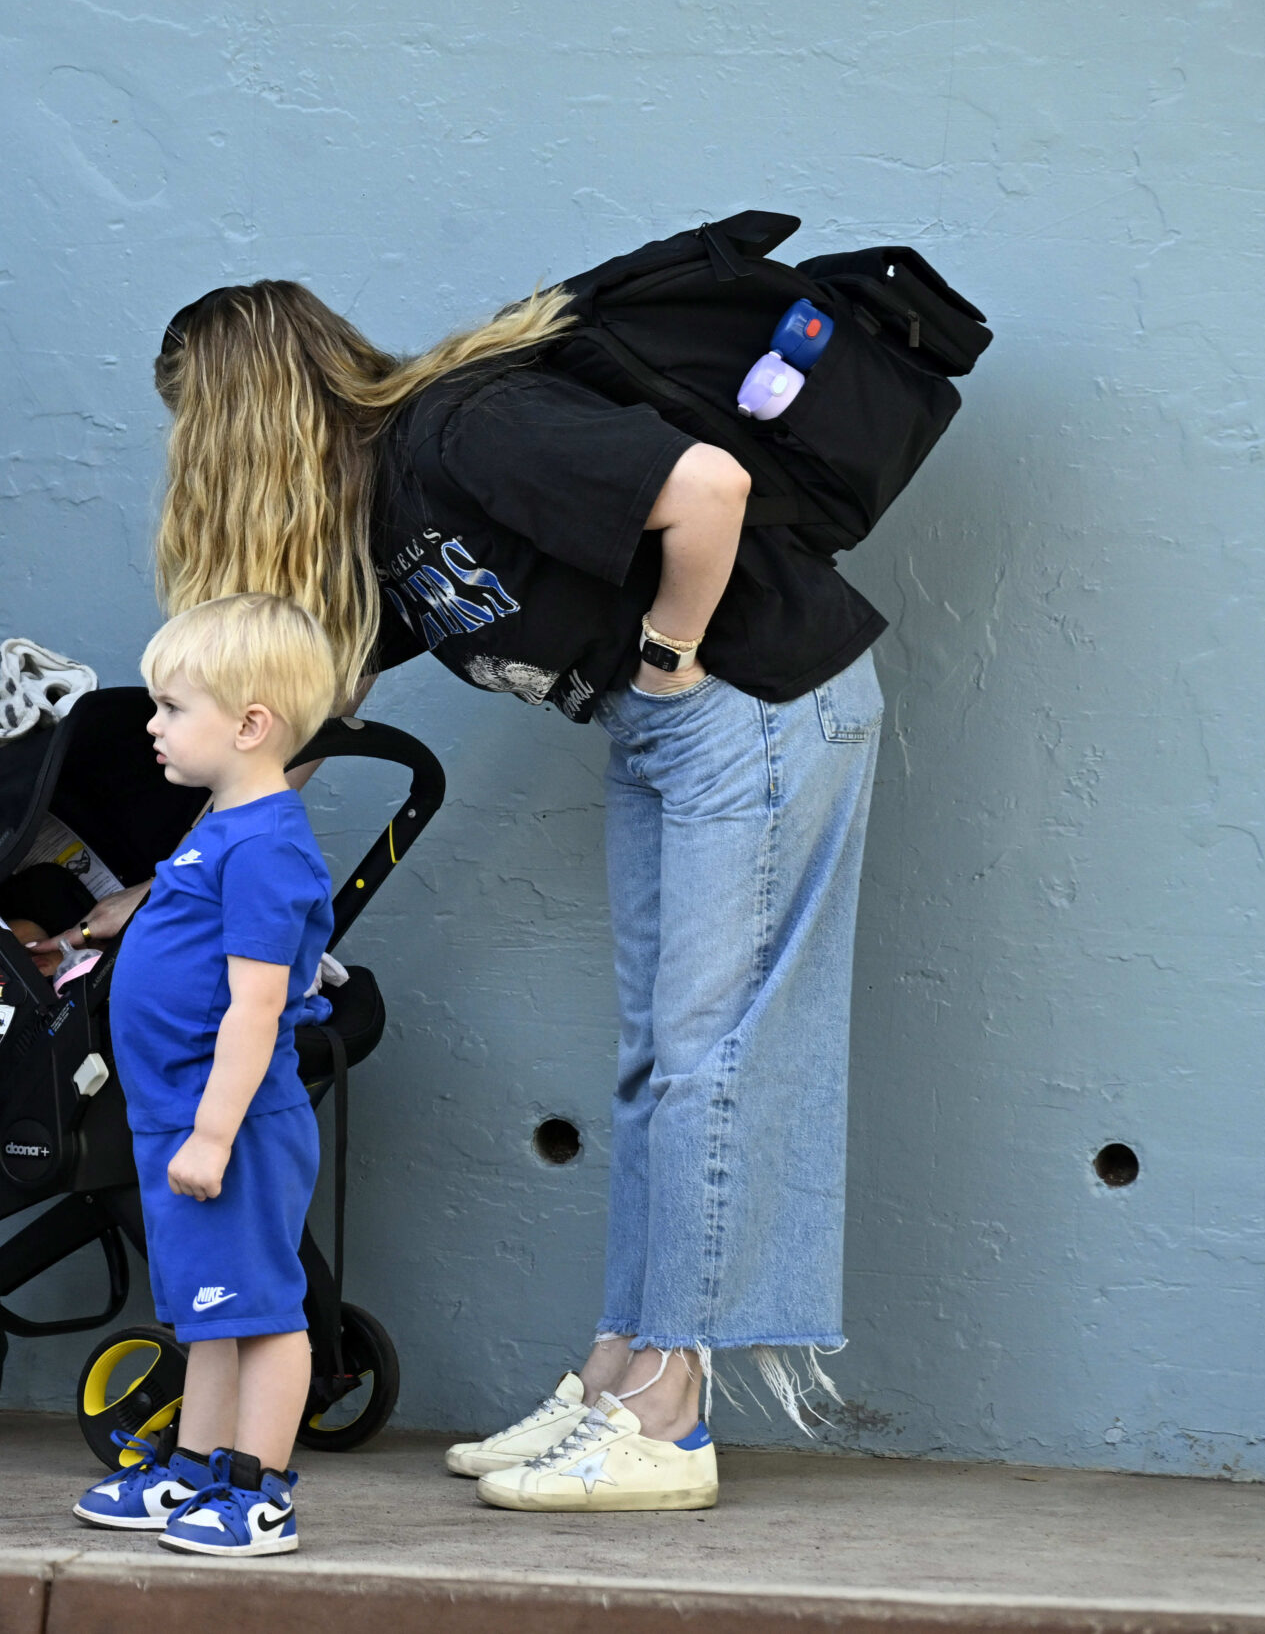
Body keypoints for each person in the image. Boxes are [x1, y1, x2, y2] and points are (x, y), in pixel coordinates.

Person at [70, 280, 886, 1515]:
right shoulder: (386, 515)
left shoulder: (464, 428)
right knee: (654, 1059)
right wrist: (172, 882)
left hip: (758, 709)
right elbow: (288, 728)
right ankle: (618, 1373)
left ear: (240, 418)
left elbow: (708, 489)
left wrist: (666, 659)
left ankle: (666, 1417)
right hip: (670, 732)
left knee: (707, 1055)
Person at [69, 594, 336, 1559]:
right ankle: (197, 1467)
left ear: (250, 724)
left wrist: (216, 1130)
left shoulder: (265, 845)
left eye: (173, 706)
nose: (152, 723)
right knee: (211, 1308)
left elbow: (257, 1005)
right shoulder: (220, 825)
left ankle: (260, 1492)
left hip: (229, 1123)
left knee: (261, 1309)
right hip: (178, 1115)